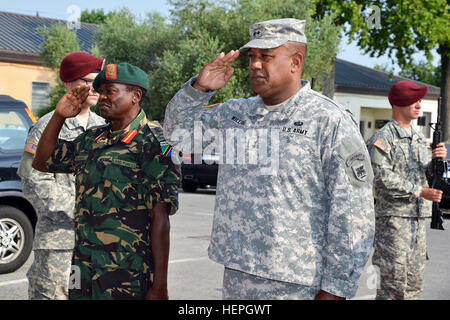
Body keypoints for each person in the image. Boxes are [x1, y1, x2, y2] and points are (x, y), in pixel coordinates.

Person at [163, 18, 375, 300]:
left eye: (266, 56)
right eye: (252, 57)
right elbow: (178, 135)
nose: (255, 65)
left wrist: (336, 289)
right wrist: (198, 90)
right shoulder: (235, 114)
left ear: (295, 63)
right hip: (238, 274)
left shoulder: (329, 120)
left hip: (298, 283)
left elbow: (354, 214)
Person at [31, 62, 180, 300]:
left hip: (125, 271)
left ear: (135, 96)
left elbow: (160, 217)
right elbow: (42, 161)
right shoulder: (91, 138)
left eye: (111, 91)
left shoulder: (156, 143)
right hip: (82, 263)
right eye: (101, 92)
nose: (102, 97)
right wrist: (59, 116)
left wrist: (160, 284)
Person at [17, 52, 106, 300]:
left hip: (98, 243)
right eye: (86, 81)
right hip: (60, 242)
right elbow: (33, 181)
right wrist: (82, 210)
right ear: (68, 84)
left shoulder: (104, 128)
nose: (93, 87)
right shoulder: (47, 127)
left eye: (96, 81)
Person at [367, 80, 447, 300]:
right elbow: (380, 176)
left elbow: (426, 175)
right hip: (394, 224)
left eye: (420, 100)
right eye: (414, 100)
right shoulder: (383, 139)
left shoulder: (421, 139)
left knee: (414, 287)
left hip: (418, 223)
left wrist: (437, 161)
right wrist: (419, 191)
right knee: (392, 289)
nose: (419, 105)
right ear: (399, 102)